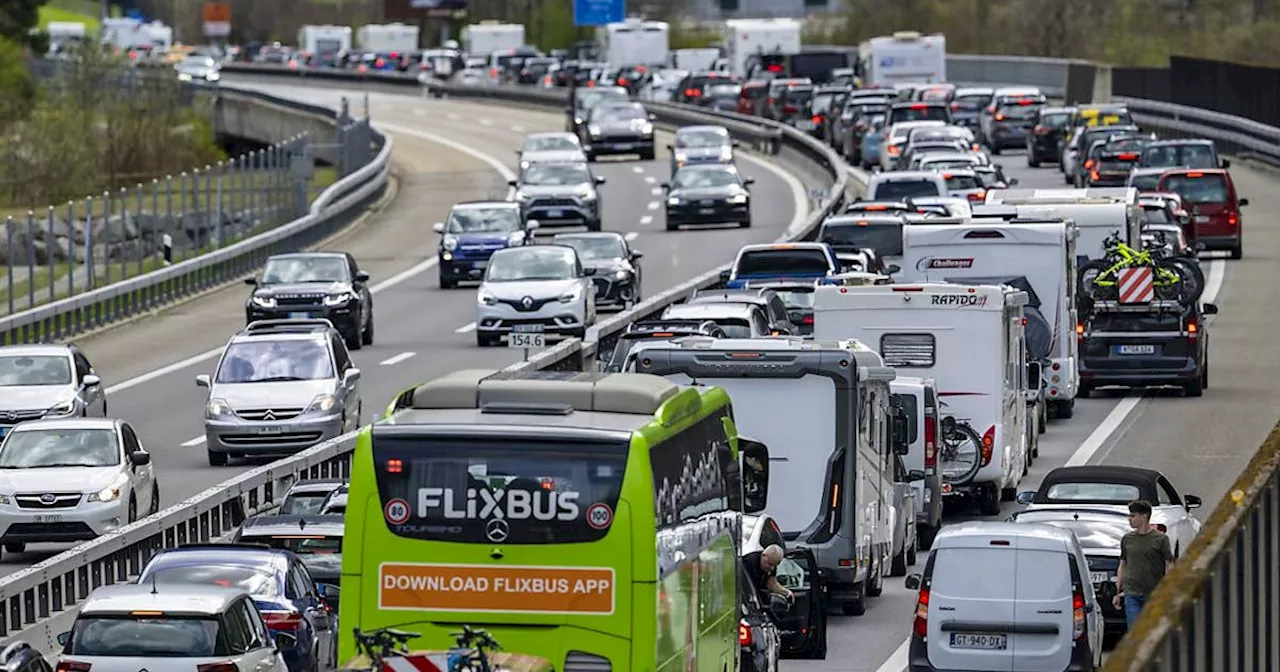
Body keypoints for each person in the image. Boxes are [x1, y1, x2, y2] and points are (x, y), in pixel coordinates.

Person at [1113, 499, 1174, 627]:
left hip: (1153, 593)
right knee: (1134, 629)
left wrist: (1167, 590)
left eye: (1133, 516)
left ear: (1144, 516)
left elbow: (1169, 564)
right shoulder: (1127, 539)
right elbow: (1122, 565)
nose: (1130, 519)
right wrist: (1117, 592)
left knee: (1151, 629)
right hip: (1132, 593)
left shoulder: (1160, 539)